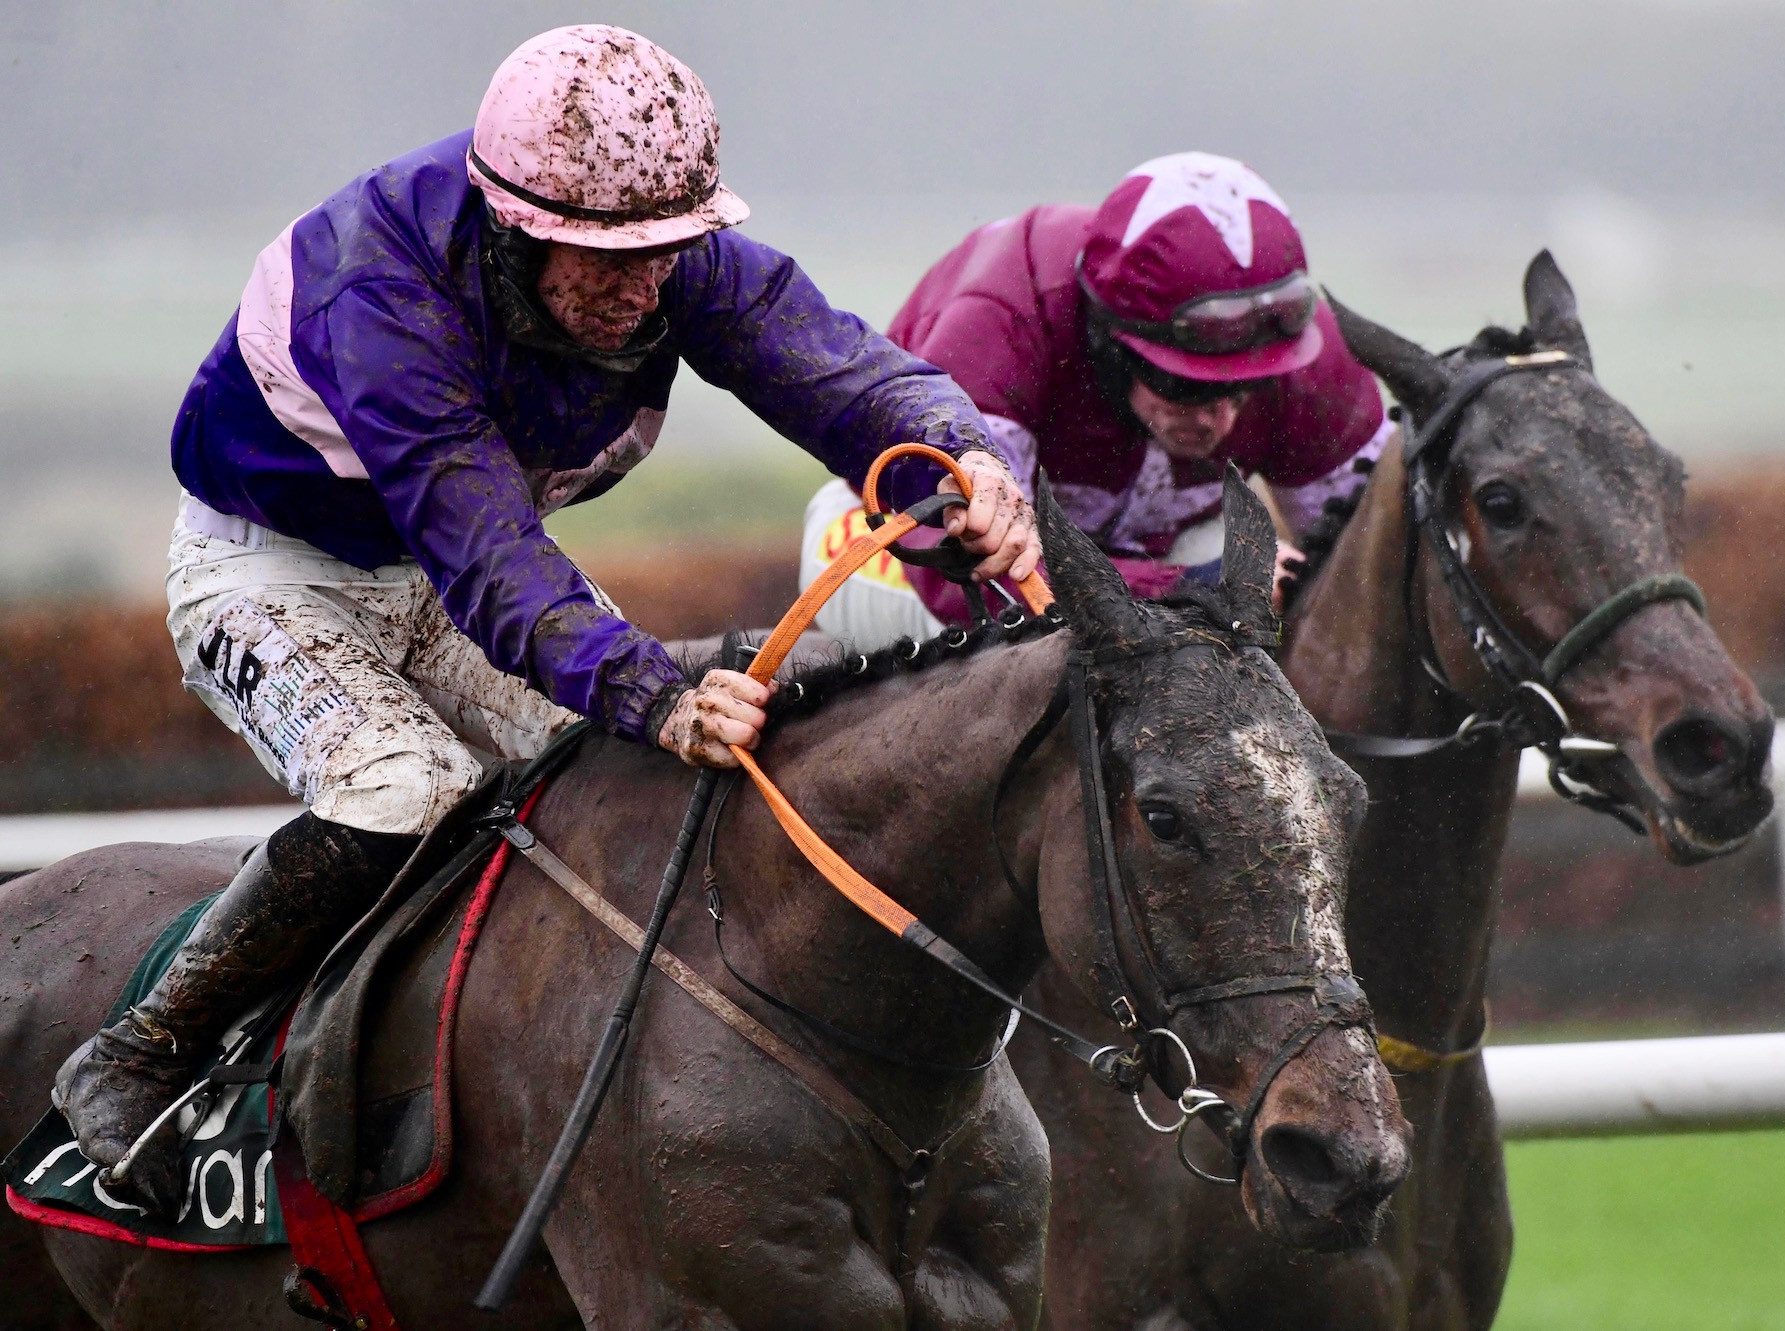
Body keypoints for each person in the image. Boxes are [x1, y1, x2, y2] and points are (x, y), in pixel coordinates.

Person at [54, 24, 1037, 1204]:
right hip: (270, 574)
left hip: (443, 574)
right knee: (408, 789)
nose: (642, 288)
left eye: (668, 253)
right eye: (608, 262)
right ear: (518, 228)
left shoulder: (669, 256)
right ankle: (138, 1048)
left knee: (618, 786)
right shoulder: (384, 290)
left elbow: (838, 369)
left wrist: (967, 459)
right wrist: (656, 690)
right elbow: (491, 558)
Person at [800, 152, 1388, 648]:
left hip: (1160, 548)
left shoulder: (1305, 355)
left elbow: (1372, 565)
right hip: (907, 543)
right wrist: (1194, 586)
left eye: (1246, 384)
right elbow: (980, 573)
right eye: (1187, 384)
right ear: (1110, 338)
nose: (1220, 415)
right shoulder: (1002, 321)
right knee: (1031, 662)